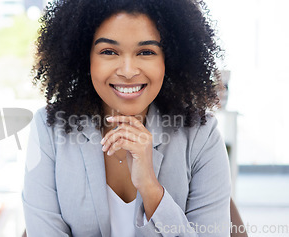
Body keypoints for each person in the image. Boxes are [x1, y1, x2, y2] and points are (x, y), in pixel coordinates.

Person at [22, 0, 231, 236]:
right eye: (109, 52)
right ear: (85, 58)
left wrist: (151, 189)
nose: (128, 71)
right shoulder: (50, 129)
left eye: (146, 52)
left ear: (169, 59)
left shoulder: (202, 135)